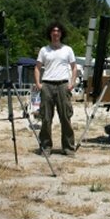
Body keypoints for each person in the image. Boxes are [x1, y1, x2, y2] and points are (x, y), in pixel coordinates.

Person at [34, 21, 77, 157]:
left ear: (61, 33)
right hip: (47, 85)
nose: (56, 33)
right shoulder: (44, 50)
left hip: (63, 85)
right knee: (46, 118)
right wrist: (38, 84)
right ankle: (46, 147)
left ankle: (68, 147)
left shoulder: (68, 49)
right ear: (50, 33)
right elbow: (37, 67)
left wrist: (72, 83)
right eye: (53, 31)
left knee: (65, 117)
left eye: (58, 31)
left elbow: (74, 67)